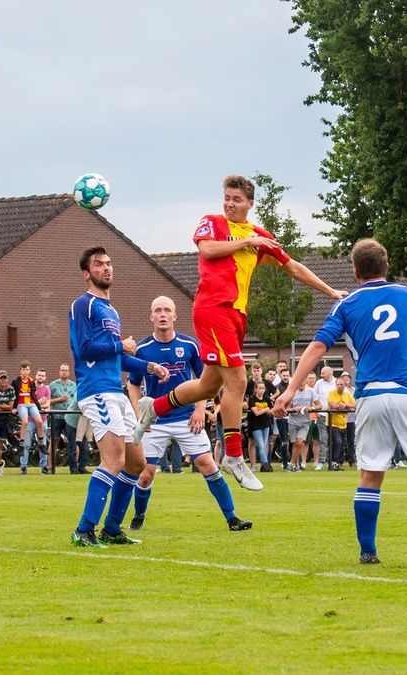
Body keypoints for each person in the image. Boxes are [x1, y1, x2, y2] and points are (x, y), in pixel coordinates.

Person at [131, 175, 345, 493]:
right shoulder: (213, 223)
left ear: (250, 204)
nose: (229, 204)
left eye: (236, 199)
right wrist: (247, 243)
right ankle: (234, 455)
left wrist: (329, 291)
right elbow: (206, 249)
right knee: (239, 381)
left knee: (208, 385)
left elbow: (293, 266)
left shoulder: (260, 235)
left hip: (237, 315)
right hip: (213, 308)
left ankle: (157, 407)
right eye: (227, 197)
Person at [273, 238, 407, 566]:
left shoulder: (347, 304)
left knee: (370, 475)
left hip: (370, 395)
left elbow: (317, 347)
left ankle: (368, 550)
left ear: (355, 271)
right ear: (387, 267)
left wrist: (289, 390)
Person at [68, 247, 170, 547]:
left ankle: (111, 529)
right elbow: (85, 349)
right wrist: (120, 345)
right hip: (96, 390)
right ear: (86, 273)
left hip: (116, 392)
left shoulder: (111, 310)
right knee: (112, 460)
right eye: (99, 265)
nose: (106, 268)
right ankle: (83, 530)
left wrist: (147, 365)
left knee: (136, 463)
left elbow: (117, 357)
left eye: (109, 263)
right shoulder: (83, 305)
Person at [131, 295, 251, 532]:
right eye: (158, 310)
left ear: (175, 316)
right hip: (155, 420)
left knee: (208, 463)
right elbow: (133, 385)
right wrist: (140, 416)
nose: (162, 314)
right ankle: (138, 516)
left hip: (186, 417)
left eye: (167, 310)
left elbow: (208, 380)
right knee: (146, 475)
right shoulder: (142, 349)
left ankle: (232, 518)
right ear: (151, 316)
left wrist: (199, 409)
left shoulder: (189, 345)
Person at [13, 361, 46, 474]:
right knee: (25, 422)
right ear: (20, 371)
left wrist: (37, 406)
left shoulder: (32, 381)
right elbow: (14, 395)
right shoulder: (16, 381)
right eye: (23, 369)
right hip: (21, 404)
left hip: (31, 403)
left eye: (27, 369)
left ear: (29, 371)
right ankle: (22, 443)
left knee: (40, 422)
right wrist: (13, 407)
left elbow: (33, 395)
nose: (25, 371)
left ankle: (41, 443)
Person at [48, 364, 81, 474]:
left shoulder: (74, 385)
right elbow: (47, 401)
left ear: (69, 372)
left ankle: (75, 466)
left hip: (70, 417)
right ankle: (49, 467)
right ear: (59, 371)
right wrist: (59, 399)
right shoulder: (52, 385)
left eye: (66, 370)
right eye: (62, 370)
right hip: (56, 416)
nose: (64, 372)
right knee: (54, 441)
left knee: (73, 442)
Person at [284, 374, 320, 471]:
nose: (301, 384)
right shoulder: (292, 393)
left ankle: (291, 463)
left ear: (306, 382)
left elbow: (319, 405)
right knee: (295, 444)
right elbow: (285, 408)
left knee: (300, 442)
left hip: (305, 422)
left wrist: (311, 408)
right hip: (293, 421)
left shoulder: (311, 392)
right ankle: (296, 465)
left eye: (303, 381)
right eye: (299, 382)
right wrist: (293, 409)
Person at [326, 374, 356, 471]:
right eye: (338, 384)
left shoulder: (347, 394)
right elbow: (333, 404)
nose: (340, 386)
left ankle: (336, 463)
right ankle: (333, 462)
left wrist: (346, 404)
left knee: (341, 444)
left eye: (342, 384)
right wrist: (342, 406)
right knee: (337, 442)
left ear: (345, 385)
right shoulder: (332, 393)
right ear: (336, 384)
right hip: (332, 423)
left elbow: (354, 404)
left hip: (343, 424)